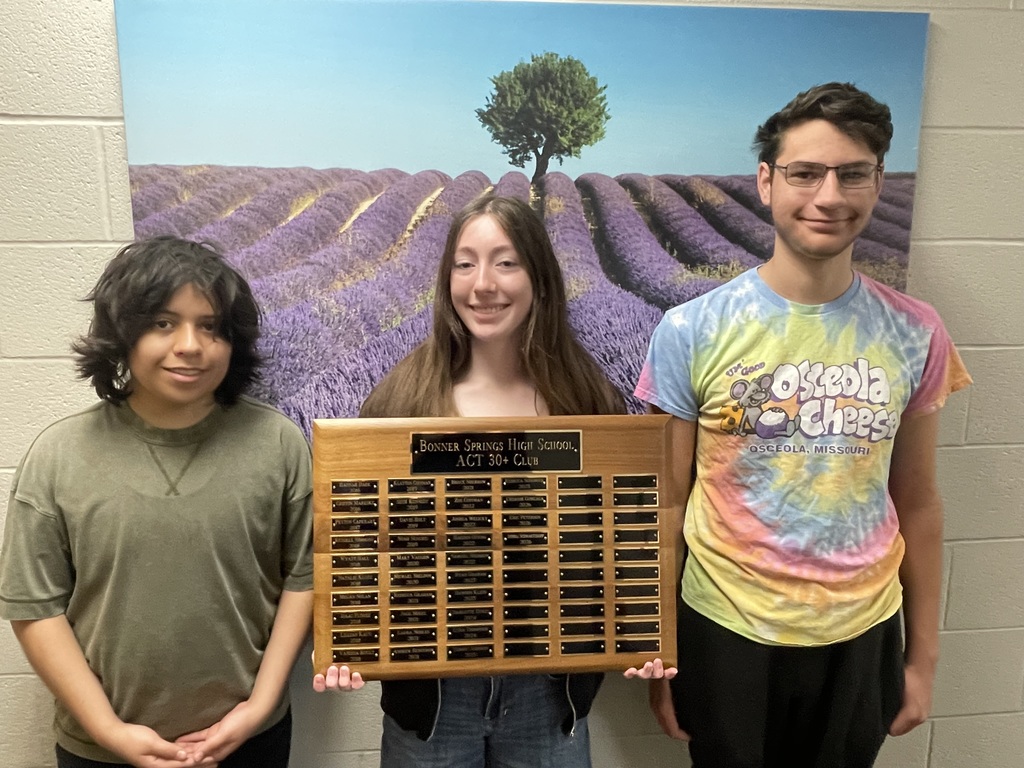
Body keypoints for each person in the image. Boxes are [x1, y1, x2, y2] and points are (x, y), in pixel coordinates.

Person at [633, 82, 972, 768]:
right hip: (724, 627)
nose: (829, 196)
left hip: (863, 631)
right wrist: (658, 646)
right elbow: (666, 503)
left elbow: (919, 502)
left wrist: (924, 659)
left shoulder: (916, 331)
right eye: (806, 173)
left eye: (853, 174)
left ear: (878, 183)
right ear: (766, 181)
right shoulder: (690, 331)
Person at [313, 193, 631, 767]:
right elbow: (362, 539)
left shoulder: (586, 399)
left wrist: (639, 632)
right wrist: (349, 635)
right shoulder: (400, 401)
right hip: (432, 703)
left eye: (506, 262)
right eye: (465, 264)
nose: (483, 284)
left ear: (539, 277)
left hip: (548, 696)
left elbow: (616, 541)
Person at [0, 236, 314, 768]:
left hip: (250, 740)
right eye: (164, 323)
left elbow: (303, 579)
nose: (190, 345)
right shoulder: (58, 455)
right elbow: (35, 607)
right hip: (101, 750)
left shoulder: (279, 443)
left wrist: (258, 707)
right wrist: (109, 730)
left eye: (210, 326)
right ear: (122, 333)